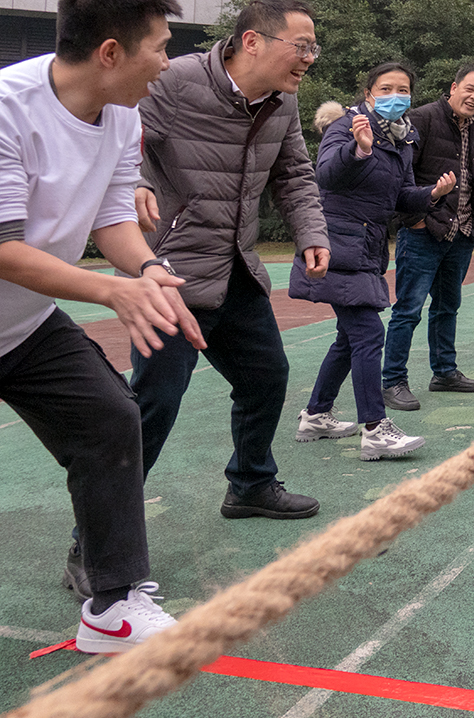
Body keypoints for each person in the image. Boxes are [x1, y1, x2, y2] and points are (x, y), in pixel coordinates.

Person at [0, 0, 207, 653]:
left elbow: (113, 217)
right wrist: (109, 291)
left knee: (111, 418)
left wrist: (148, 270)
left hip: (21, 326)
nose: (167, 63)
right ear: (111, 52)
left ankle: (112, 603)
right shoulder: (8, 107)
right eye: (160, 46)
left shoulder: (124, 115)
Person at [131, 0, 331, 522]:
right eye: (302, 45)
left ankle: (250, 485)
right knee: (154, 403)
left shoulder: (282, 101)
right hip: (171, 273)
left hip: (238, 268)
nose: (310, 57)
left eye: (314, 46)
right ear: (252, 42)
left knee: (267, 376)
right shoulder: (174, 81)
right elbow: (118, 140)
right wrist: (132, 183)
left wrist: (311, 231)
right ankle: (100, 535)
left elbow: (294, 174)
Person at [290, 62, 455, 457]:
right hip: (334, 246)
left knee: (349, 339)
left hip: (366, 248)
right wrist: (358, 149)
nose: (395, 95)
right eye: (386, 88)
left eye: (403, 89)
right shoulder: (346, 127)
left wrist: (432, 194)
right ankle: (376, 428)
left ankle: (316, 415)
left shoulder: (402, 139)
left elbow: (398, 198)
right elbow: (325, 174)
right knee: (366, 334)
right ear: (368, 94)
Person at [381, 63, 474, 411]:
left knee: (448, 306)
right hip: (423, 232)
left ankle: (444, 372)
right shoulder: (423, 118)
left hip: (460, 232)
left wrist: (472, 224)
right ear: (454, 86)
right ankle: (392, 381)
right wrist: (413, 220)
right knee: (408, 309)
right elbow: (399, 173)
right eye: (470, 89)